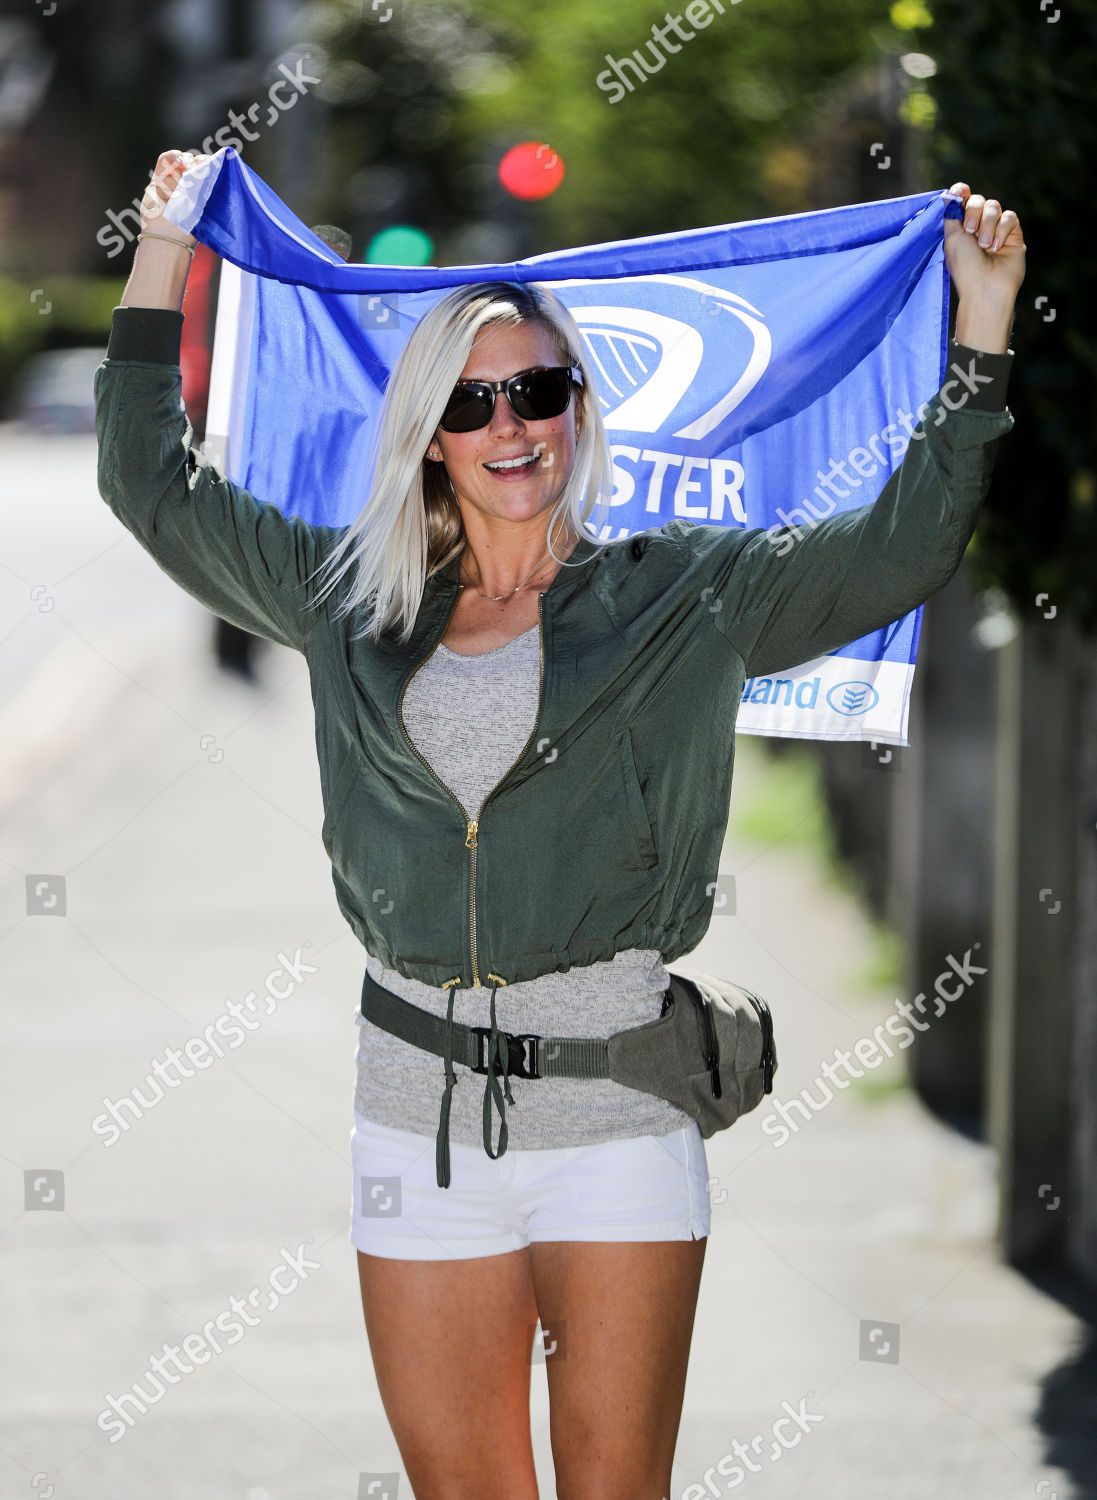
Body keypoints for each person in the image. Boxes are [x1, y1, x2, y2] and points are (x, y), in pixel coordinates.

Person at [95, 148, 1024, 1500]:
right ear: (427, 431)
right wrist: (167, 248)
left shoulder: (683, 595)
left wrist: (983, 322)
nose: (508, 423)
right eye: (471, 402)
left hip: (616, 1115)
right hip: (412, 1112)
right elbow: (148, 480)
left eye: (537, 390)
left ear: (580, 410)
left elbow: (903, 540)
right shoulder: (341, 593)